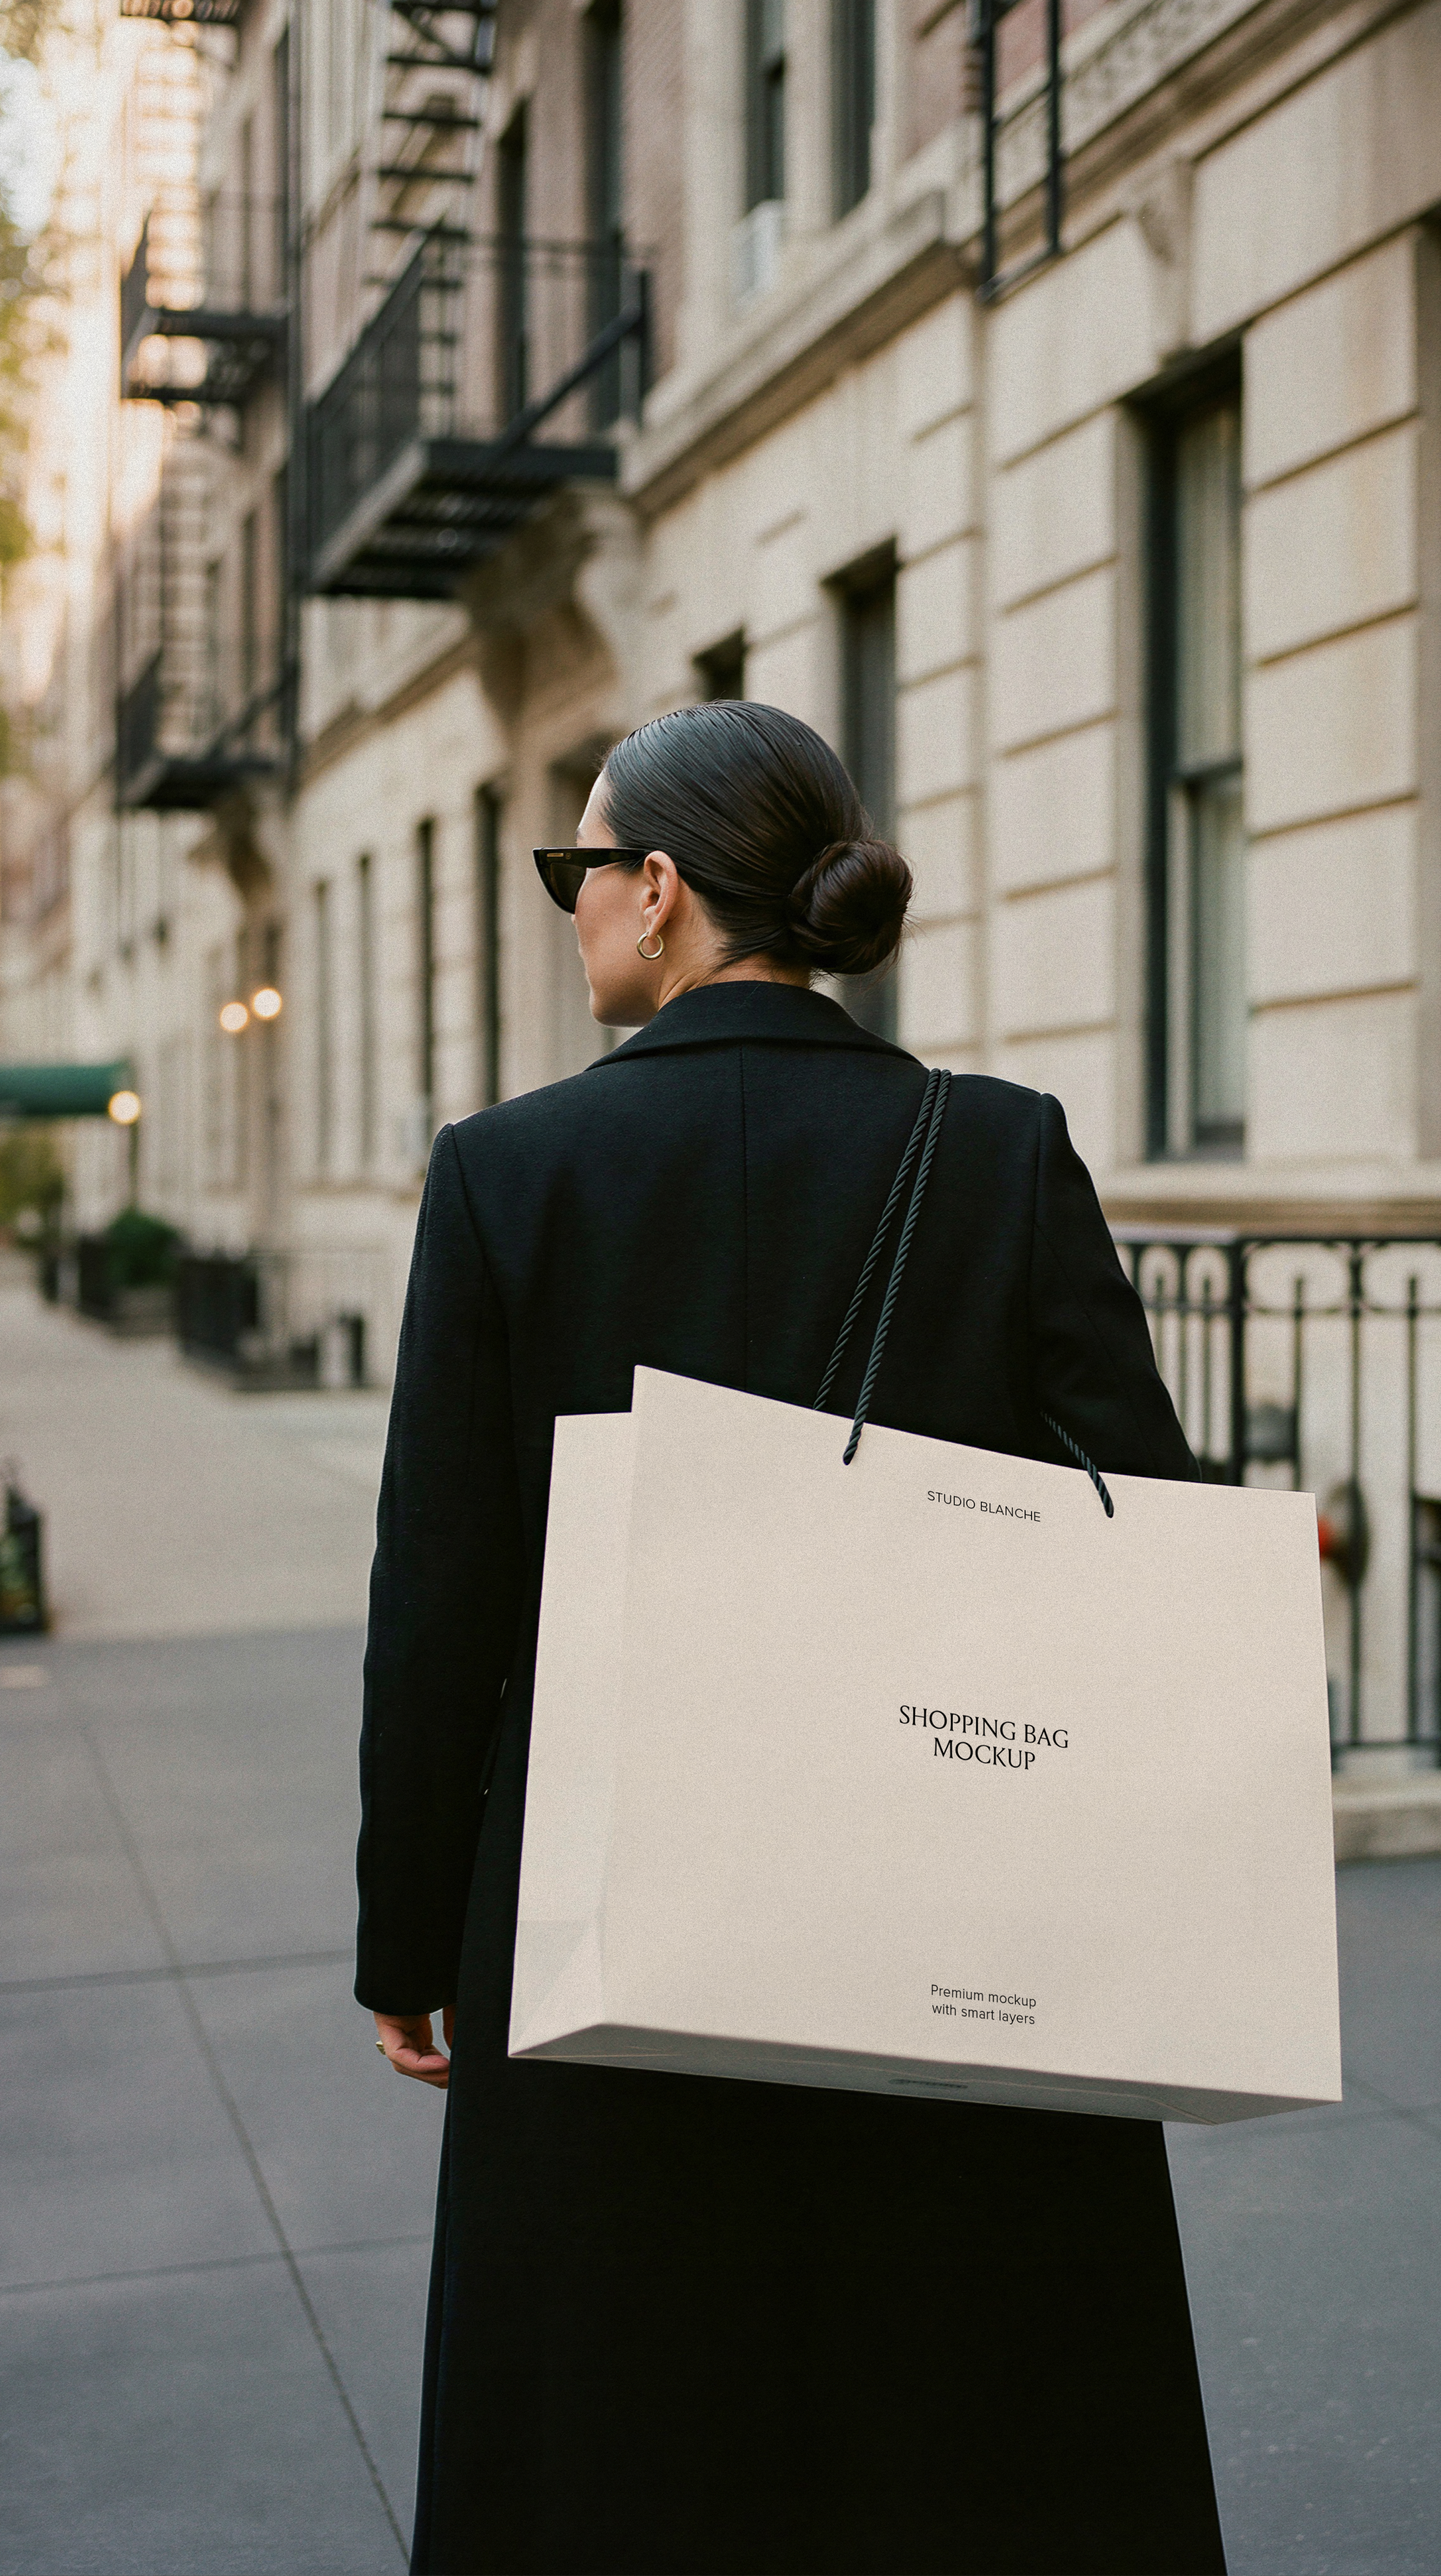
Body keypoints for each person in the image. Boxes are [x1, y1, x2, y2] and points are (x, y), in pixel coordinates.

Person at [356, 699, 1226, 2576]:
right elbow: (1153, 1528)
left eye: (575, 869)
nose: (570, 905)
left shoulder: (508, 1176)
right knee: (957, 2434)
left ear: (659, 891)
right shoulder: (995, 1154)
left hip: (605, 1918)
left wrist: (409, 1935)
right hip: (949, 1925)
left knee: (626, 2442)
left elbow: (439, 1598)